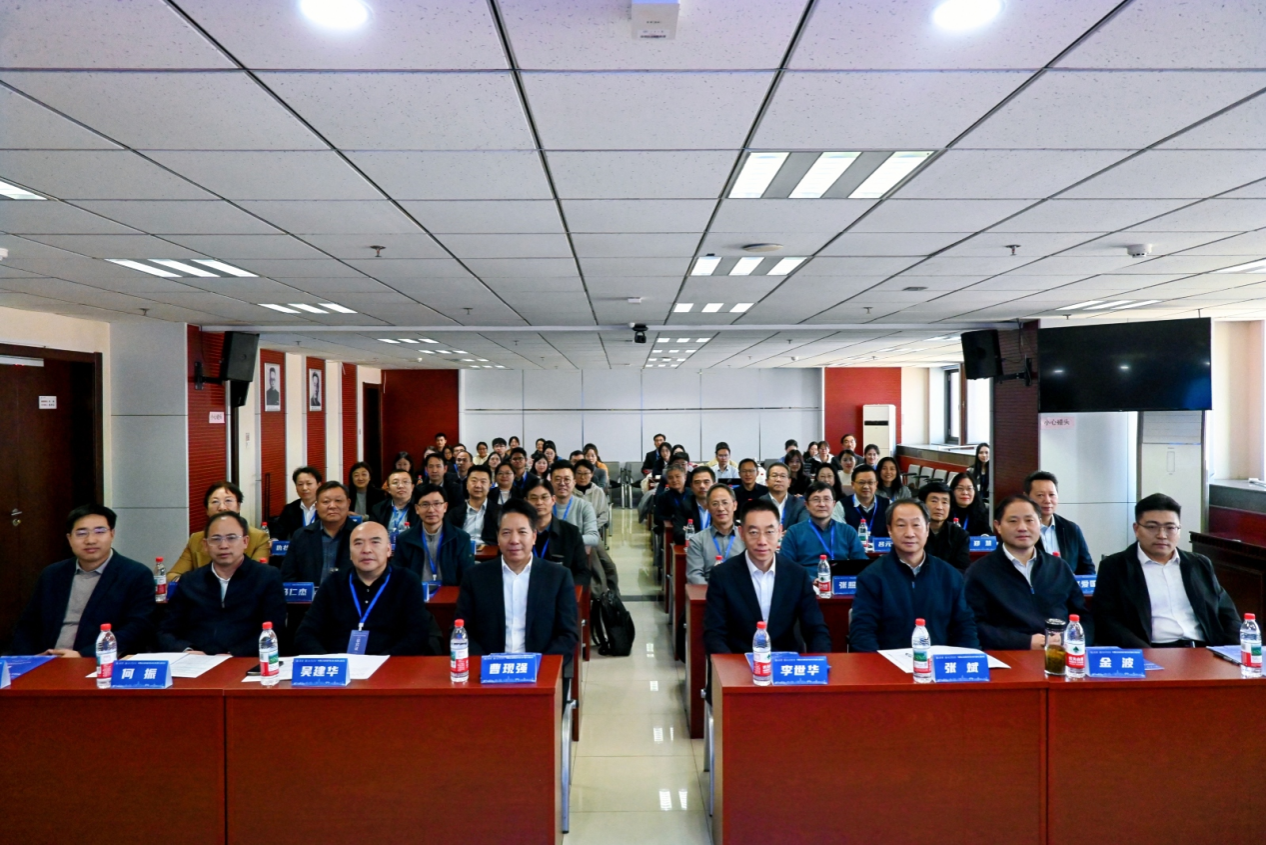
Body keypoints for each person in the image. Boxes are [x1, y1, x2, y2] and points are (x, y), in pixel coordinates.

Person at [1093, 493, 1241, 648]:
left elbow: (1228, 614)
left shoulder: (1199, 564)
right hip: (1151, 649)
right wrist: (1145, 653)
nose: (1162, 535)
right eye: (1152, 527)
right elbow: (1107, 620)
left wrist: (1231, 649)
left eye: (1170, 528)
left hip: (1203, 650)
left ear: (1179, 529)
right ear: (1136, 529)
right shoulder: (1115, 567)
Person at [9, 505, 155, 658]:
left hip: (98, 660)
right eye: (81, 533)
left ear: (112, 534)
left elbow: (137, 628)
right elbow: (28, 624)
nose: (90, 540)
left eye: (100, 531)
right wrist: (27, 659)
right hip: (46, 659)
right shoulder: (52, 574)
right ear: (69, 538)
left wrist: (83, 655)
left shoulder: (135, 574)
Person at [454, 499, 581, 665]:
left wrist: (540, 665)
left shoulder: (558, 577)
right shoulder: (475, 577)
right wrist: (485, 664)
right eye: (506, 533)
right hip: (488, 669)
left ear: (534, 536)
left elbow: (568, 634)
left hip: (539, 669)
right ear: (498, 537)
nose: (514, 540)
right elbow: (461, 630)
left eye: (522, 532)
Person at [703, 499, 831, 656]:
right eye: (753, 532)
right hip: (739, 661)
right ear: (741, 533)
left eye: (769, 532)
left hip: (785, 663)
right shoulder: (722, 575)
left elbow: (815, 629)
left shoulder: (797, 575)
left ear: (780, 532)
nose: (762, 541)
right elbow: (714, 634)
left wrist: (819, 662)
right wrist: (729, 667)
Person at [849, 499, 979, 652]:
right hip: (888, 663)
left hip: (939, 662)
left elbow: (965, 627)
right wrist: (879, 665)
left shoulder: (949, 576)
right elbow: (863, 632)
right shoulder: (871, 577)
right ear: (889, 530)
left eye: (916, 525)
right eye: (901, 525)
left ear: (927, 529)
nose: (909, 533)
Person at [294, 521, 442, 656]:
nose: (366, 550)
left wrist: (382, 663)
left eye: (375, 542)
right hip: (339, 668)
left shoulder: (407, 581)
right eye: (358, 543)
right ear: (350, 553)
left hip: (389, 667)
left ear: (388, 550)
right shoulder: (333, 583)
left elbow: (416, 636)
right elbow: (306, 633)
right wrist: (328, 662)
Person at [964, 495, 1092, 650]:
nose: (1022, 528)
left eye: (1029, 520)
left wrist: (1068, 638)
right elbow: (973, 625)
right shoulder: (979, 572)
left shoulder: (1059, 567)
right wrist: (1025, 642)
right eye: (1013, 521)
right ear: (998, 526)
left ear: (1039, 523)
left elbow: (1084, 617)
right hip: (1010, 655)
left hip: (1061, 653)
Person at [157, 512, 286, 656]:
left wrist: (234, 654)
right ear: (205, 545)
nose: (224, 545)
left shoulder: (266, 577)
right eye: (216, 539)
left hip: (245, 660)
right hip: (195, 661)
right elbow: (165, 631)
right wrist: (187, 651)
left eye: (231, 538)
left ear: (245, 542)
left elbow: (275, 630)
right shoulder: (190, 581)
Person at [169, 481, 270, 579]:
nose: (222, 508)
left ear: (238, 507)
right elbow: (172, 576)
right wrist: (191, 583)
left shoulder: (258, 538)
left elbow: (257, 577)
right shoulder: (196, 539)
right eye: (215, 502)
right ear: (207, 510)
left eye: (228, 501)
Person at [551, 461, 618, 595]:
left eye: (566, 479)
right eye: (557, 479)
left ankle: (609, 597)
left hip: (579, 550)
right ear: (551, 481)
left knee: (607, 567)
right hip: (551, 553)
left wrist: (569, 540)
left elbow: (593, 537)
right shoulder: (544, 504)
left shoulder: (584, 505)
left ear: (573, 482)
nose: (562, 483)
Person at [395, 483, 475, 585]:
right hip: (416, 593)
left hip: (450, 593)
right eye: (425, 504)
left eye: (437, 504)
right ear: (417, 509)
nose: (431, 510)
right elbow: (398, 577)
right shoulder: (404, 539)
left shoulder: (461, 538)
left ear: (445, 507)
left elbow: (467, 578)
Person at [281, 482, 355, 585]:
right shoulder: (301, 536)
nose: (332, 506)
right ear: (317, 506)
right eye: (326, 502)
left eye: (338, 501)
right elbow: (288, 576)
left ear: (348, 503)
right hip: (310, 595)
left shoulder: (361, 535)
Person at [523, 477, 591, 589]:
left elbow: (583, 573)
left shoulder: (571, 533)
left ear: (553, 500)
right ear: (526, 502)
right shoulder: (517, 533)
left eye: (544, 497)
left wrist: (565, 590)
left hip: (559, 592)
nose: (539, 502)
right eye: (534, 498)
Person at [780, 481, 866, 569]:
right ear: (807, 505)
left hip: (839, 576)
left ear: (834, 504)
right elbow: (785, 566)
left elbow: (861, 564)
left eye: (826, 499)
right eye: (816, 499)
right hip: (807, 577)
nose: (822, 504)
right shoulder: (794, 532)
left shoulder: (848, 531)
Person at [1024, 471, 1095, 575]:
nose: (1047, 500)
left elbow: (1087, 568)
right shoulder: (1021, 530)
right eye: (1040, 495)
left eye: (1052, 495)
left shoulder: (1071, 529)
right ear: (1026, 497)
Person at [686, 484, 745, 585]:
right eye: (715, 504)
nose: (720, 508)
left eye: (725, 503)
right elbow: (694, 576)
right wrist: (713, 592)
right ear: (708, 507)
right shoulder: (697, 540)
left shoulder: (746, 537)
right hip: (708, 590)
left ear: (735, 505)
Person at [919, 480, 971, 571]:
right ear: (923, 504)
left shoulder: (960, 535)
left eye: (944, 502)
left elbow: (962, 569)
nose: (939, 507)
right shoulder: (914, 533)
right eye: (934, 501)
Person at [445, 464, 499, 546]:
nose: (478, 485)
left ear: (490, 485)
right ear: (467, 484)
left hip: (489, 552)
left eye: (483, 481)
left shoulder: (499, 512)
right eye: (474, 481)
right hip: (462, 551)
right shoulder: (454, 513)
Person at [271, 465, 322, 541]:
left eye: (309, 483)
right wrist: (274, 540)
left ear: (319, 485)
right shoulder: (290, 509)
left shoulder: (327, 507)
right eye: (300, 484)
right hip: (298, 547)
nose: (304, 488)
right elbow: (278, 532)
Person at [368, 469, 415, 545]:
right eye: (395, 482)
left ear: (412, 487)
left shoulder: (420, 508)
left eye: (405, 482)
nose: (401, 486)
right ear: (388, 489)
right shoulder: (378, 509)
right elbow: (372, 535)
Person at [842, 465, 889, 537]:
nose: (866, 486)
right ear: (853, 484)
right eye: (861, 482)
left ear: (876, 485)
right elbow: (838, 533)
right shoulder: (841, 506)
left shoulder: (888, 505)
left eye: (870, 482)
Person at [674, 465, 716, 541]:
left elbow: (727, 531)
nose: (702, 486)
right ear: (691, 486)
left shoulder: (722, 505)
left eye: (706, 482)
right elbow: (678, 534)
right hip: (694, 547)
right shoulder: (684, 506)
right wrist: (709, 536)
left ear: (714, 484)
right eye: (697, 482)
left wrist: (690, 533)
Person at [761, 462, 809, 527]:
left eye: (783, 476)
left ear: (789, 482)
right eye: (774, 476)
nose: (778, 479)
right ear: (767, 482)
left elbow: (803, 527)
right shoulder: (758, 504)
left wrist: (789, 532)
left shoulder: (800, 505)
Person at [572, 460, 611, 535]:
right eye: (579, 473)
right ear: (574, 474)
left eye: (586, 473)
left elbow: (604, 514)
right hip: (573, 532)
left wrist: (591, 528)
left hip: (593, 530)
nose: (582, 477)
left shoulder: (598, 492)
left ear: (592, 474)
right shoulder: (570, 492)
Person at [948, 471, 990, 536]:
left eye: (969, 489)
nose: (965, 493)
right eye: (960, 488)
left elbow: (988, 534)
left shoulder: (981, 511)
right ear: (952, 491)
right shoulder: (946, 511)